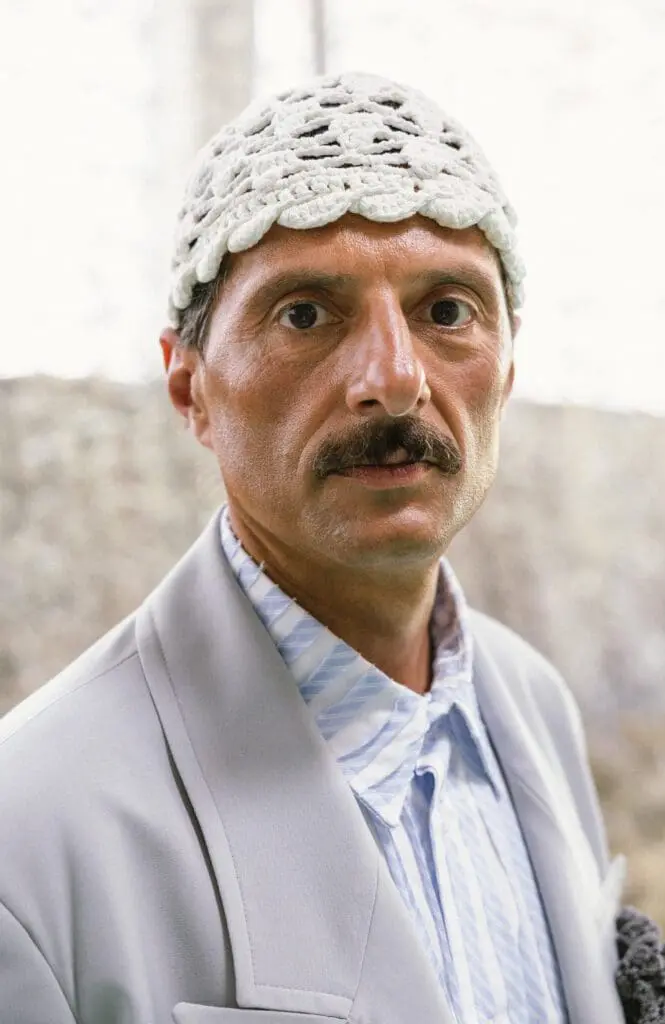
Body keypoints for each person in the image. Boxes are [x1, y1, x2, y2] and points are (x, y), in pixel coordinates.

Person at [0, 72, 627, 1024]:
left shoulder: (532, 704)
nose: (394, 380)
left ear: (508, 364)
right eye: (305, 314)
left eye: (447, 310)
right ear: (189, 388)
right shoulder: (31, 833)